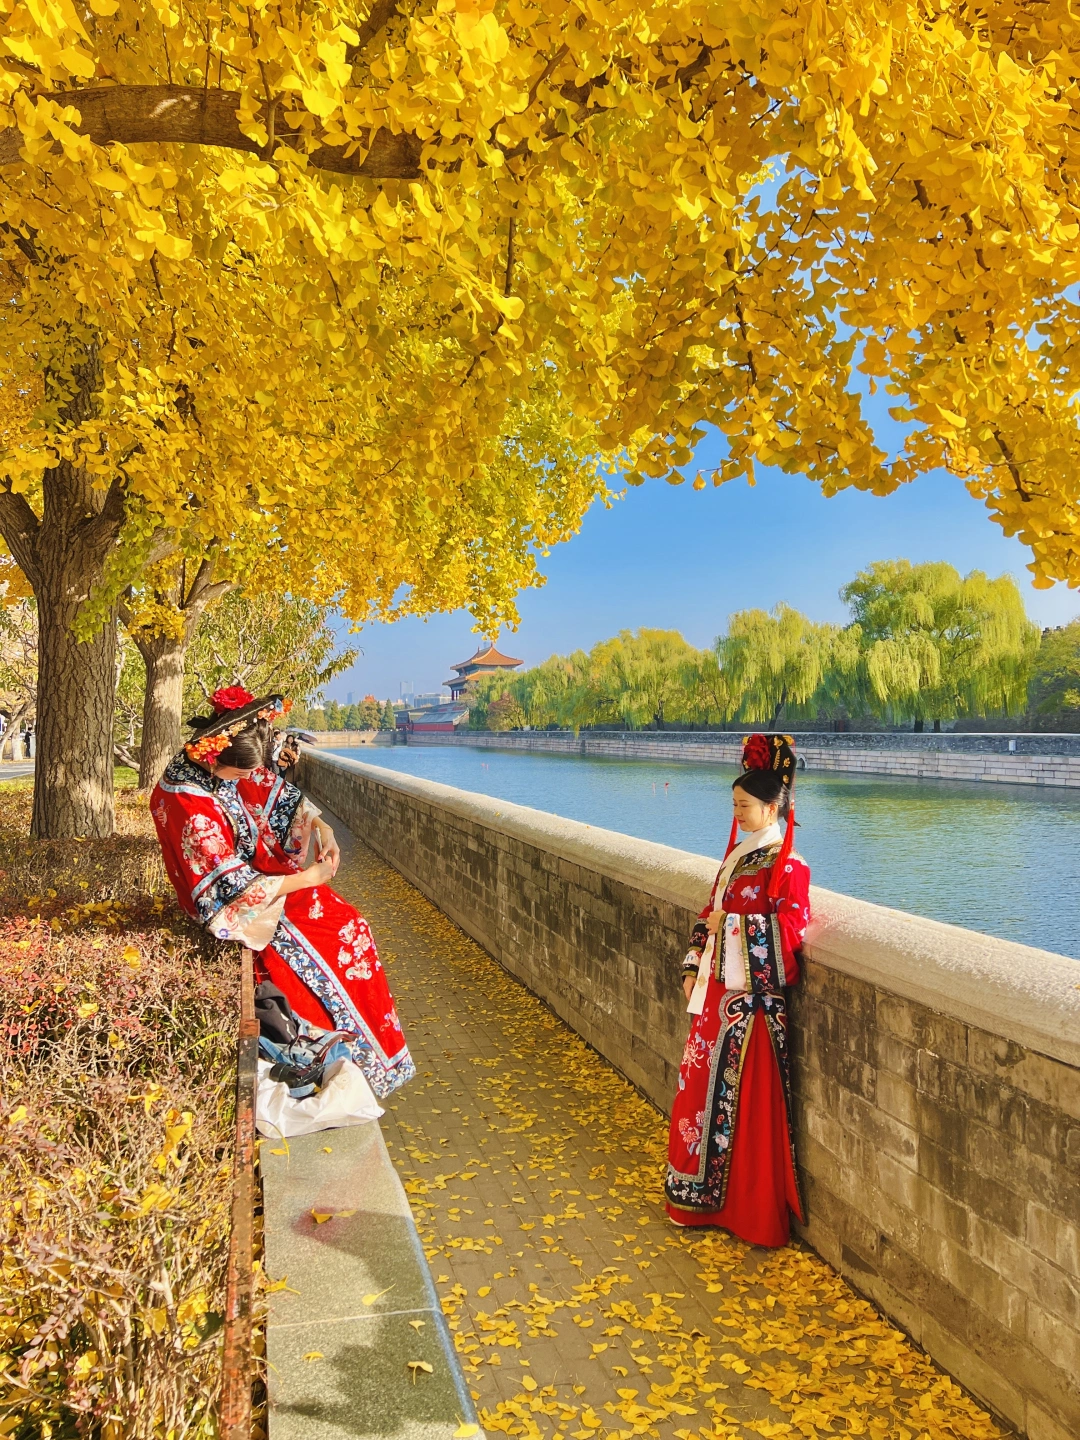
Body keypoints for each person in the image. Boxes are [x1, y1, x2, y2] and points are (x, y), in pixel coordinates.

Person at [150, 686, 414, 1100]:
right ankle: (354, 1056)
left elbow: (276, 795)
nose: (245, 781)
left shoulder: (217, 765)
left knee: (353, 925)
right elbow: (228, 887)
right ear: (216, 755)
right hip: (246, 903)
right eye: (238, 775)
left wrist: (322, 828)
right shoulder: (187, 800)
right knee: (346, 933)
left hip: (267, 882)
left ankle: (364, 1057)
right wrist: (309, 879)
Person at [664, 733, 809, 1247]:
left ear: (773, 807)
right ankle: (697, 1202)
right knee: (699, 1099)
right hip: (713, 1003)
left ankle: (745, 1214)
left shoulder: (786, 867)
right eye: (734, 806)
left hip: (751, 1014)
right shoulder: (737, 859)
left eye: (745, 807)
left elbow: (791, 934)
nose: (738, 815)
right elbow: (711, 911)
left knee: (745, 1115)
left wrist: (726, 940)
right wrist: (691, 964)